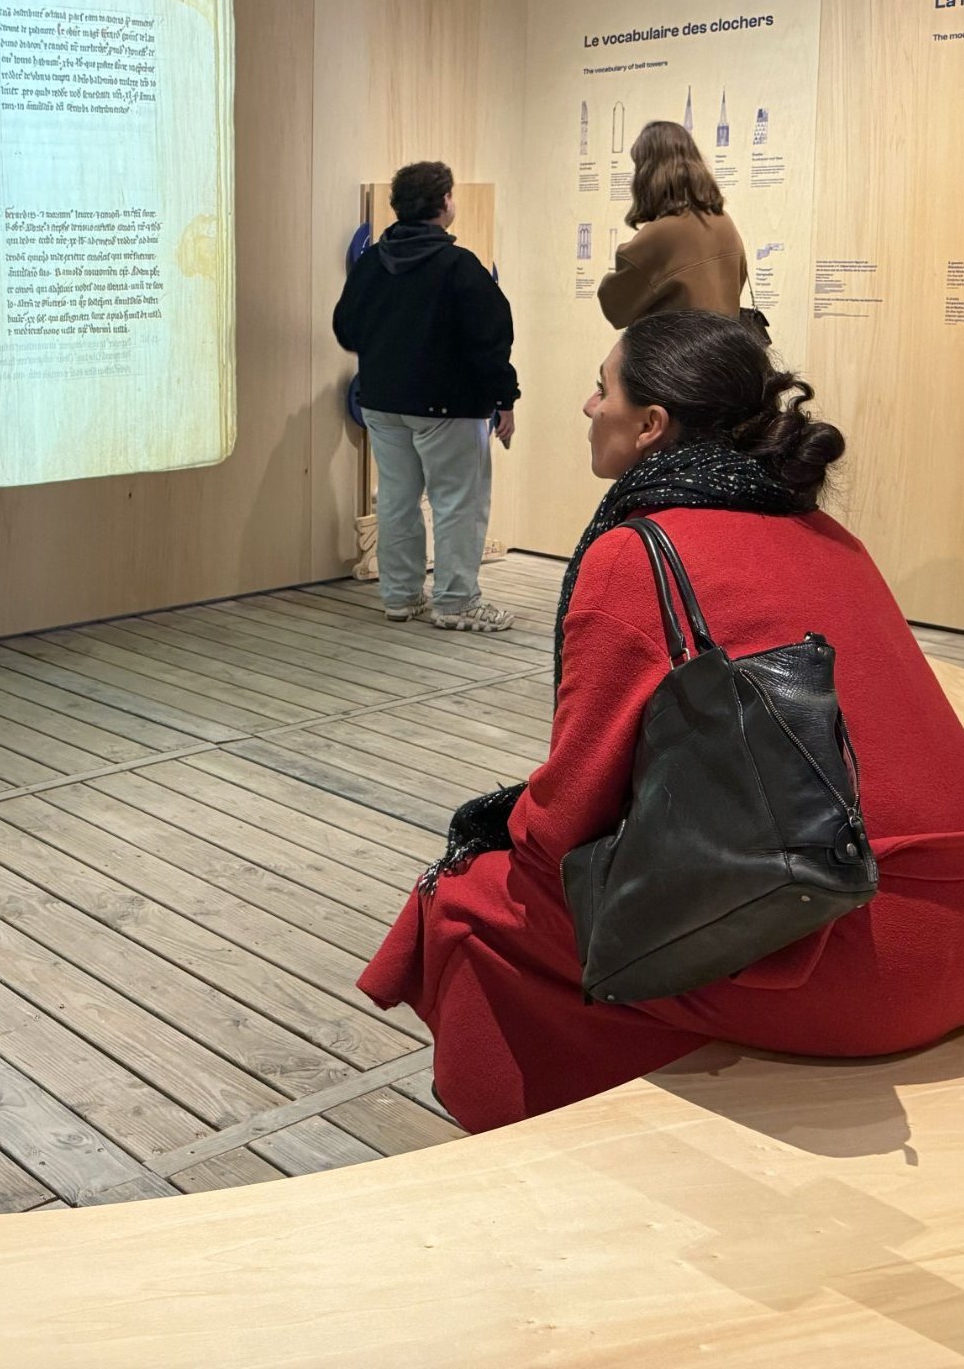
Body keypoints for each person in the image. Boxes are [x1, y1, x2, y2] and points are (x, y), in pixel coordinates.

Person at [357, 311, 964, 1131]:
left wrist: (488, 845)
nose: (585, 406)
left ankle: (544, 1153)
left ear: (651, 425)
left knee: (473, 902)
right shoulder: (830, 536)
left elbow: (564, 823)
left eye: (600, 388)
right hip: (946, 925)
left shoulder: (636, 553)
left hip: (848, 952)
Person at [333, 161, 519, 633]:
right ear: (443, 204)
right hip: (448, 406)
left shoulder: (373, 262)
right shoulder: (460, 266)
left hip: (381, 402)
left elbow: (345, 328)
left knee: (396, 498)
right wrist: (506, 399)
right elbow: (491, 339)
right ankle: (456, 602)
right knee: (457, 501)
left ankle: (399, 596)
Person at [599, 119, 747, 327]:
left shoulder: (662, 233)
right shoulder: (723, 221)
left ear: (648, 172)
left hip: (674, 355)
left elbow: (615, 307)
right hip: (723, 353)